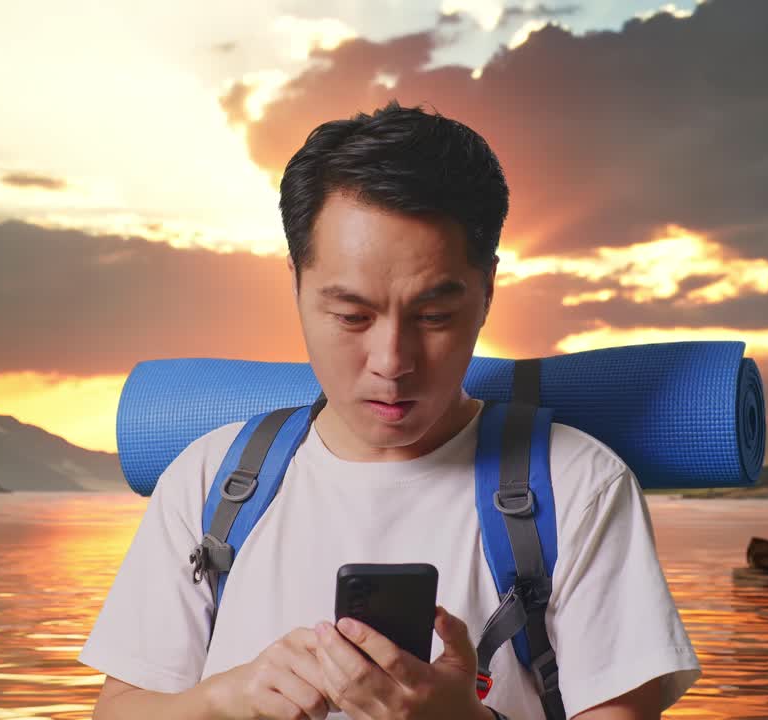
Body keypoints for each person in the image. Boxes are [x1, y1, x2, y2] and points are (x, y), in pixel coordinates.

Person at [78, 99, 701, 720]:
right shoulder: (210, 481)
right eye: (352, 316)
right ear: (295, 282)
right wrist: (223, 699)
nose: (392, 361)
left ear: (488, 291)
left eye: (434, 316)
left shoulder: (578, 487)